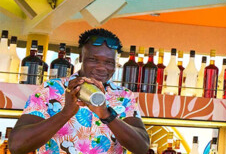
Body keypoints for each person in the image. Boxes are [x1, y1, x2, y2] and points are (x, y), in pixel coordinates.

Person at [9, 28, 149, 154]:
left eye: (109, 62)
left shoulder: (124, 96)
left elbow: (142, 147)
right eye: (93, 60)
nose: (101, 68)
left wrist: (107, 115)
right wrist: (66, 113)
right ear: (81, 58)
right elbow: (17, 146)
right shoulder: (50, 89)